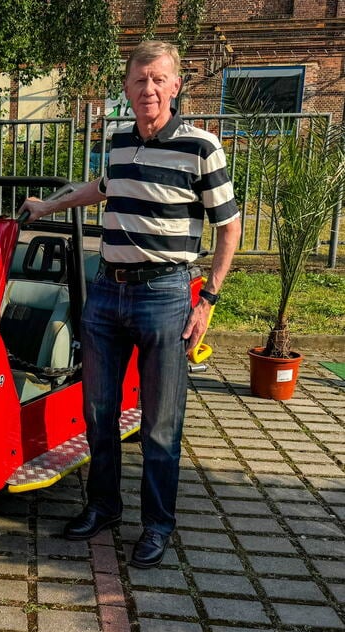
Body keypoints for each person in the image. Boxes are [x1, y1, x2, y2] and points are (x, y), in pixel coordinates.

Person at [18, 40, 241, 568]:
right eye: (140, 80)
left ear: (176, 85)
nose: (149, 90)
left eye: (159, 79)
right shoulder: (119, 142)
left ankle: (158, 524)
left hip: (165, 295)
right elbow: (102, 188)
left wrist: (207, 298)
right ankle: (104, 506)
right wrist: (47, 205)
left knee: (161, 425)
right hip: (106, 294)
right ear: (126, 88)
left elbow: (229, 227)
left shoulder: (201, 147)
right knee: (98, 413)